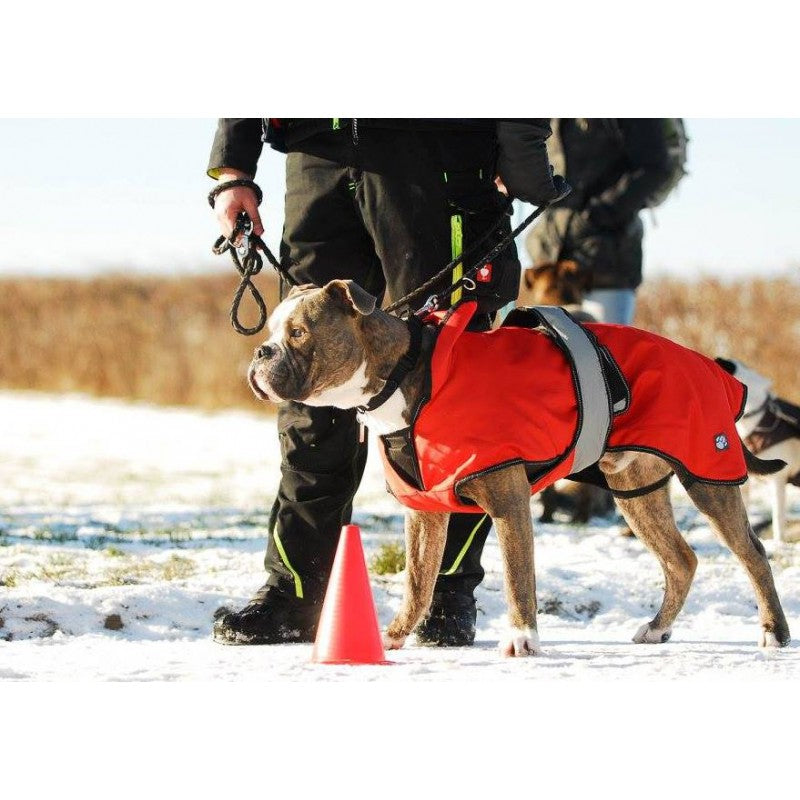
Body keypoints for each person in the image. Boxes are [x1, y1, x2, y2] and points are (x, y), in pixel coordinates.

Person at [208, 118, 565, 647]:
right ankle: (296, 593)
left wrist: (522, 157)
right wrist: (232, 168)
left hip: (437, 154)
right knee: (308, 378)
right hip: (317, 156)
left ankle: (447, 595)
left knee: (453, 389)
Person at [526, 118, 674, 324]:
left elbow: (655, 167)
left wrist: (598, 214)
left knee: (607, 350)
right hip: (551, 256)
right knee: (548, 351)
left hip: (608, 259)